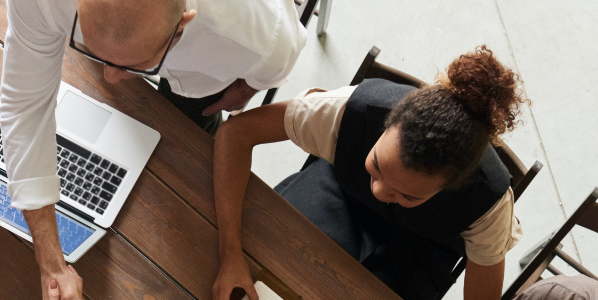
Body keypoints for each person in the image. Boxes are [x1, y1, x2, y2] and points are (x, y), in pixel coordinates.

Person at [0, 0, 306, 298]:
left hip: (202, 77)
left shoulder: (260, 38)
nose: (112, 77)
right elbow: (26, 107)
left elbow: (279, 61)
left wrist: (244, 89)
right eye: (93, 50)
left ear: (182, 27)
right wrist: (51, 266)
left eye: (131, 65)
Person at [212, 46, 527, 300]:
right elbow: (235, 133)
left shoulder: (489, 206)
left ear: (452, 186)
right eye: (377, 166)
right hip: (340, 192)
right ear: (388, 123)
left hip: (421, 251)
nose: (379, 191)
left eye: (407, 194)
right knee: (266, 255)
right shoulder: (348, 110)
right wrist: (230, 255)